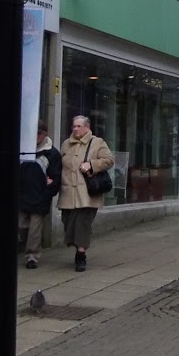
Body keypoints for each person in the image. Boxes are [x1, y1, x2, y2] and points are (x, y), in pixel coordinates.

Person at [59, 114, 115, 273]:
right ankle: (78, 247)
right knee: (68, 223)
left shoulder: (97, 142)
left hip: (87, 194)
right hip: (68, 193)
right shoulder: (66, 144)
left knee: (82, 224)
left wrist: (91, 164)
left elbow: (109, 160)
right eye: (74, 126)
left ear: (87, 127)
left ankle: (81, 255)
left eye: (78, 126)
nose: (75, 129)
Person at [17, 128, 62, 269]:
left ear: (44, 134)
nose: (35, 136)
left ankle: (32, 256)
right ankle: (30, 246)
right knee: (21, 226)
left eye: (38, 133)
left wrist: (48, 191)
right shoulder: (24, 149)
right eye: (33, 133)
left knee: (34, 230)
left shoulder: (52, 153)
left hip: (40, 196)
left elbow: (56, 178)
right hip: (23, 195)